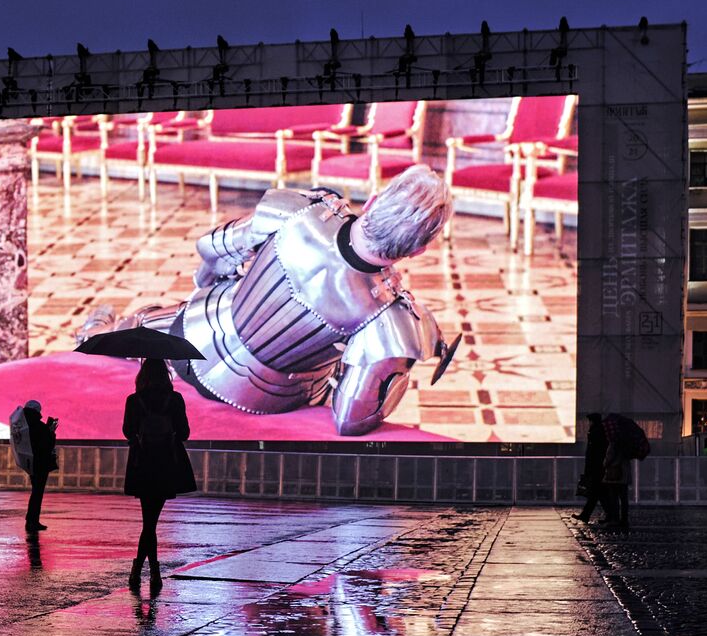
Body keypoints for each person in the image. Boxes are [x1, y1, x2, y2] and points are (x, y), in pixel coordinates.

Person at [82, 166, 459, 436]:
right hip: (270, 395)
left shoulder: (302, 208)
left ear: (376, 199)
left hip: (197, 333)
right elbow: (350, 418)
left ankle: (99, 334)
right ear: (420, 250)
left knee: (140, 324)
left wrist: (207, 287)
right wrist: (399, 363)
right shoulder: (391, 319)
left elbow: (213, 247)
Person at [122, 358, 196, 595]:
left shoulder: (134, 400)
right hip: (166, 463)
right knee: (150, 521)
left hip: (142, 463)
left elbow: (127, 431)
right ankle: (151, 570)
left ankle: (141, 569)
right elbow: (184, 433)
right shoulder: (174, 399)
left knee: (149, 521)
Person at [22, 400, 58, 533]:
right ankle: (32, 521)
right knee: (37, 493)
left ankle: (31, 519)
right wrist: (51, 431)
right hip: (41, 463)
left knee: (35, 492)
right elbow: (47, 444)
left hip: (31, 462)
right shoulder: (39, 426)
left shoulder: (24, 424)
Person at [573, 412, 608, 523]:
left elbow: (592, 453)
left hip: (595, 468)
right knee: (597, 494)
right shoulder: (601, 431)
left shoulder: (595, 432)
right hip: (598, 468)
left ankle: (610, 516)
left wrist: (588, 470)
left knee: (596, 493)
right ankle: (588, 515)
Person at [601, 437, 631, 530]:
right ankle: (624, 519)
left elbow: (609, 458)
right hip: (624, 474)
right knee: (624, 498)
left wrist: (604, 463)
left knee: (613, 498)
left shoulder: (614, 443)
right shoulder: (627, 443)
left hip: (615, 474)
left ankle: (615, 520)